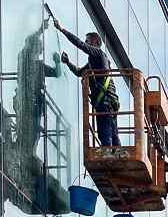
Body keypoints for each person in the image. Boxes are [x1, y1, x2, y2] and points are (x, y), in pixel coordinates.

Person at [51, 15, 121, 148]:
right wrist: (67, 62)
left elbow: (80, 44)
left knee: (105, 134)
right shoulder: (93, 62)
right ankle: (117, 156)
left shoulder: (99, 54)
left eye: (88, 41)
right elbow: (79, 72)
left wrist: (61, 29)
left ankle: (110, 157)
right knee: (112, 133)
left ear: (95, 42)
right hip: (108, 101)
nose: (86, 43)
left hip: (105, 101)